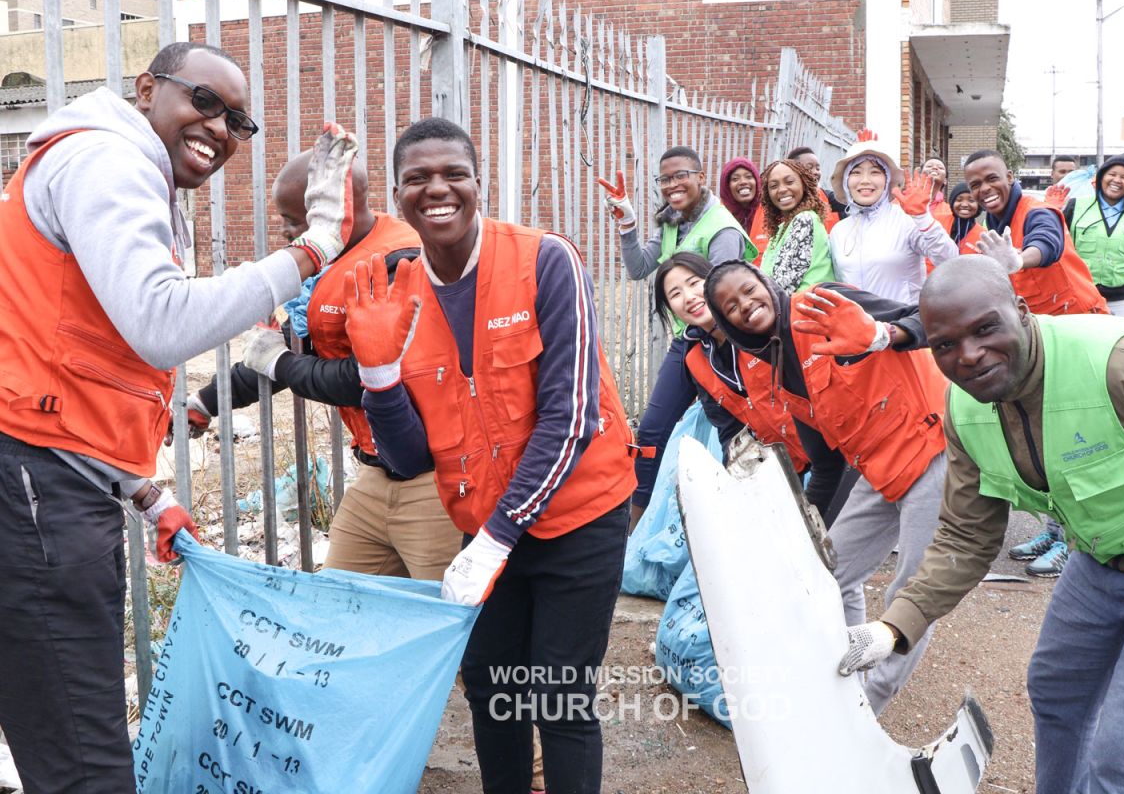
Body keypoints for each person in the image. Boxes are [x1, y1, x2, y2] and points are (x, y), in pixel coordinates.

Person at [0, 42, 356, 791]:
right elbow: (159, 322)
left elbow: (60, 354)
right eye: (204, 102)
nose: (221, 128)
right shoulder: (111, 162)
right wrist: (312, 248)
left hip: (47, 477)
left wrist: (142, 488)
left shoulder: (127, 173)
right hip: (36, 492)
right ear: (147, 88)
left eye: (239, 120)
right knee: (85, 758)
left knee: (54, 727)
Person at [841, 254, 1124, 793]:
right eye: (945, 345)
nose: (970, 356)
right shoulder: (967, 407)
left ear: (1021, 310)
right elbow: (966, 535)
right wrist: (894, 626)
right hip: (1098, 563)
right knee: (1056, 693)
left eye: (985, 329)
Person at [350, 117, 636, 794]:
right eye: (418, 178)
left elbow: (570, 417)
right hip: (483, 525)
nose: (437, 189)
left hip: (576, 516)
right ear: (398, 194)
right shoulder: (400, 293)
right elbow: (411, 455)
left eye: (454, 173)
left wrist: (498, 538)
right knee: (490, 689)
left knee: (558, 695)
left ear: (479, 184)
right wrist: (379, 377)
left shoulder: (546, 260)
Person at [184, 152, 460, 581]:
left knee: (448, 625)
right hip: (374, 473)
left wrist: (282, 364)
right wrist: (206, 399)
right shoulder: (330, 261)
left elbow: (363, 379)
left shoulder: (398, 262)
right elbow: (290, 352)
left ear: (339, 213)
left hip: (433, 482)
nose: (286, 231)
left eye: (294, 220)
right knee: (338, 605)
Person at [705, 260, 947, 714]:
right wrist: (802, 530)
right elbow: (826, 465)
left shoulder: (820, 304)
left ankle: (866, 709)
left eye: (748, 290)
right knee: (825, 574)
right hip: (879, 473)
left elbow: (931, 318)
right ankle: (846, 684)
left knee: (913, 593)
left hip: (933, 450)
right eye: (731, 307)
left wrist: (883, 334)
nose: (745, 306)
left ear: (767, 284)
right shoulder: (778, 370)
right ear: (726, 323)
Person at [597, 147, 755, 525]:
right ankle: (634, 526)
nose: (672, 185)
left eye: (681, 175)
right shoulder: (672, 222)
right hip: (688, 343)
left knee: (730, 430)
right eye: (664, 179)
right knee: (651, 432)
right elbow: (638, 268)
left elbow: (725, 299)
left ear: (702, 177)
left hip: (722, 345)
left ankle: (740, 518)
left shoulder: (722, 229)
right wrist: (627, 225)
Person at [652, 252, 809, 472]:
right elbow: (729, 431)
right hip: (784, 470)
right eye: (675, 294)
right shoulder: (695, 360)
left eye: (694, 283)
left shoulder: (758, 324)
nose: (689, 297)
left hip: (830, 454)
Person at [958, 149, 1107, 315]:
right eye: (975, 185)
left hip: (1078, 317)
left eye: (992, 179)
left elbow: (1045, 242)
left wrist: (1019, 260)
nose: (985, 188)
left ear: (1009, 177)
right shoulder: (991, 223)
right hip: (1038, 322)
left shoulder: (1037, 211)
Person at [827, 130, 958, 304]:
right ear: (846, 180)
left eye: (875, 172)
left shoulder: (906, 220)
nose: (865, 180)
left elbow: (948, 260)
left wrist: (923, 219)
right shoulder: (839, 231)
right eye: (856, 172)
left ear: (887, 180)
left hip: (901, 326)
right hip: (858, 328)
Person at [1061, 154, 1124, 319]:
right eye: (1112, 174)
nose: (1117, 180)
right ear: (1101, 177)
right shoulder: (1075, 206)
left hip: (1121, 300)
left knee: (1115, 344)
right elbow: (1059, 250)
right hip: (1079, 294)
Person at [757, 159, 837, 293]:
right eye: (773, 186)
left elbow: (783, 284)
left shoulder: (805, 219)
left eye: (789, 182)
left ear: (804, 184)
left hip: (806, 309)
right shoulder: (781, 228)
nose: (782, 189)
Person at [720, 156, 768, 255]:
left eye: (749, 177)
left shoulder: (770, 212)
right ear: (727, 186)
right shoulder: (718, 215)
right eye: (735, 179)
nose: (743, 182)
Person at [787, 145, 845, 225]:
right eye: (809, 167)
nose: (816, 172)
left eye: (818, 168)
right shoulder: (784, 200)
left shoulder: (828, 198)